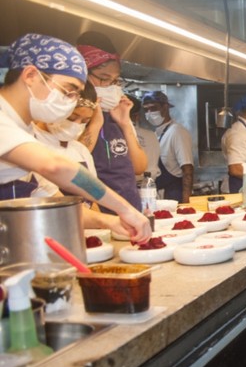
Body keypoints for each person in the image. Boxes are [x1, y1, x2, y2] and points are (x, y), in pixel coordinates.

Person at [0, 33, 150, 241]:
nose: (70, 101)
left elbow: (54, 202)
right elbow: (56, 167)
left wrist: (109, 221)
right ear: (31, 76)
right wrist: (124, 209)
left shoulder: (25, 131)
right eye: (68, 90)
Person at [76, 31, 147, 213]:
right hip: (97, 213)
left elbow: (138, 167)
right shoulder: (73, 114)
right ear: (83, 73)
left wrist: (125, 123)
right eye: (103, 78)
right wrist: (94, 123)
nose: (109, 86)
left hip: (130, 209)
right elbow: (72, 164)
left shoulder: (117, 113)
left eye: (114, 81)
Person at [142, 91, 194, 203]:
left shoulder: (177, 132)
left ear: (165, 107)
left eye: (153, 108)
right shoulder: (156, 134)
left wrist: (186, 203)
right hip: (162, 194)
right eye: (146, 110)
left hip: (175, 194)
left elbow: (187, 169)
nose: (149, 113)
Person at [128, 94, 161, 181]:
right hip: (149, 185)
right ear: (137, 116)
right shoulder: (151, 135)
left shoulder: (117, 136)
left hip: (129, 186)